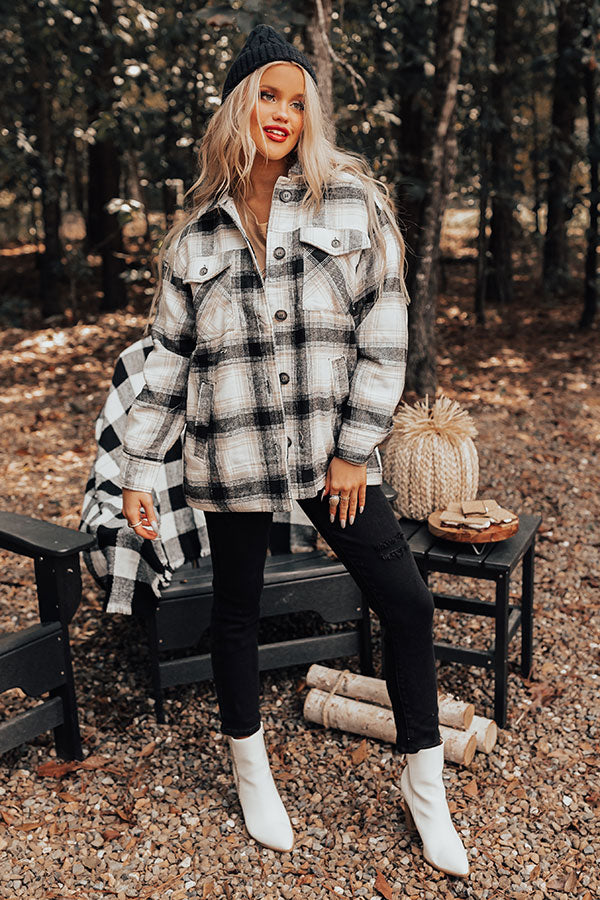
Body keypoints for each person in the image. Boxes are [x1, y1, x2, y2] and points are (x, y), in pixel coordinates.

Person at [119, 24, 469, 877]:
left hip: (327, 450)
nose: (282, 113)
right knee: (235, 612)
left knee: (408, 604)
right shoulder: (195, 237)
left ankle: (424, 788)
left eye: (298, 102)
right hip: (232, 447)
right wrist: (137, 469)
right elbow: (166, 361)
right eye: (267, 96)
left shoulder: (350, 202)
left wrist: (355, 449)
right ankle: (252, 773)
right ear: (238, 106)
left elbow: (385, 330)